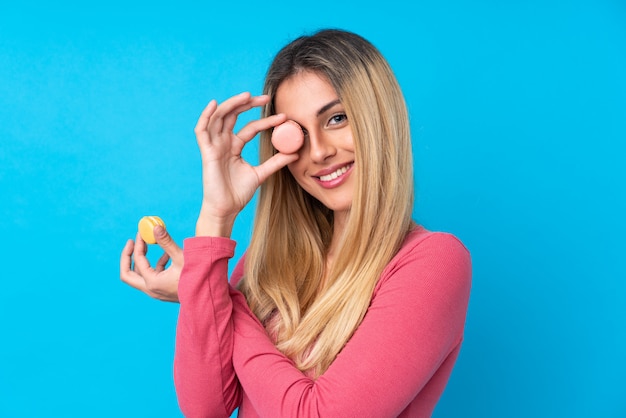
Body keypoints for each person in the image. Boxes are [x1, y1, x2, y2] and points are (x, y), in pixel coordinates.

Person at [120, 29, 471, 418]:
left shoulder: (434, 261)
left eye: (337, 118)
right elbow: (206, 407)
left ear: (378, 119)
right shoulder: (269, 258)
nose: (318, 151)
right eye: (297, 134)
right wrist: (216, 217)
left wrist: (211, 291)